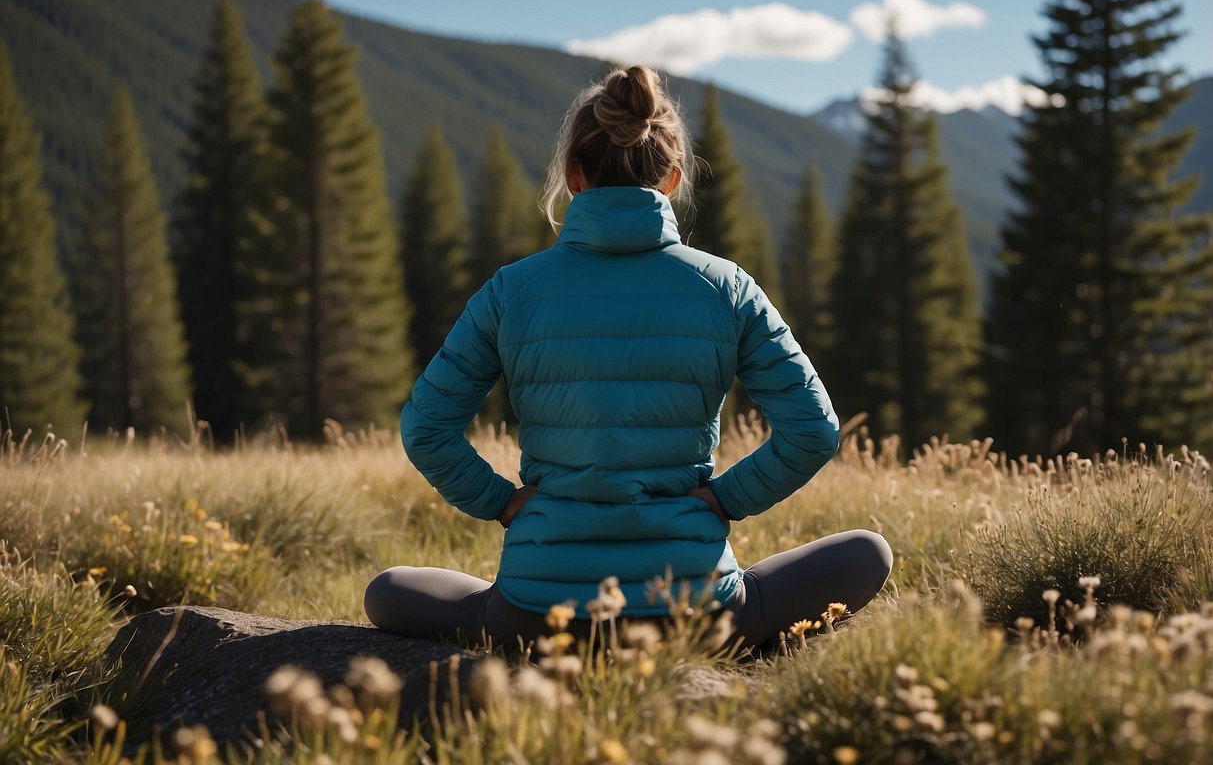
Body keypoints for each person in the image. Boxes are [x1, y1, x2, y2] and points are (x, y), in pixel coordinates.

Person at [364, 65, 892, 652]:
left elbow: (425, 427)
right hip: (697, 619)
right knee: (869, 553)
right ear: (672, 179)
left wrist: (503, 502)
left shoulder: (511, 290)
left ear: (573, 177)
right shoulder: (728, 287)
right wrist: (726, 500)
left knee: (386, 591)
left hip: (539, 618)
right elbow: (814, 432)